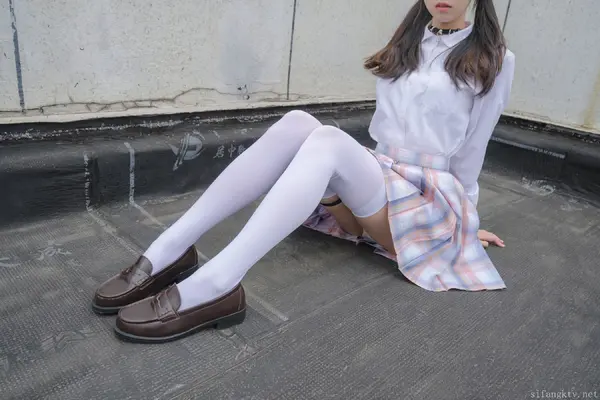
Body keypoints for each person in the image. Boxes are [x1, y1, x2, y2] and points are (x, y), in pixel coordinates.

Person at [92, 0, 515, 343]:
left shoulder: (496, 59)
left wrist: (464, 222)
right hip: (379, 178)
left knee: (328, 140)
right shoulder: (408, 40)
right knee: (298, 121)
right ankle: (173, 247)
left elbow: (473, 149)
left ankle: (217, 282)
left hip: (422, 205)